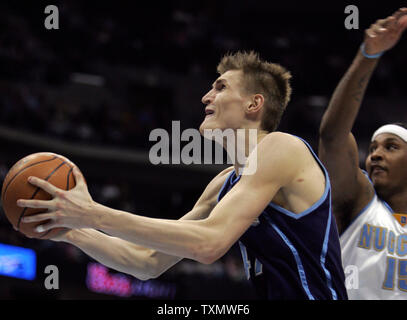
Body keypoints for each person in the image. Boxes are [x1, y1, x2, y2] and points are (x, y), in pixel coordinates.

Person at [17, 51, 347, 300]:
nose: (206, 96)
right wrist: (69, 230)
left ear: (253, 104)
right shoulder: (223, 183)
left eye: (220, 87)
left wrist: (91, 213)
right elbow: (146, 262)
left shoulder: (283, 147)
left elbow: (209, 244)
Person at [319, 8, 407, 299]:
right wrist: (368, 56)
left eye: (391, 147)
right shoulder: (359, 202)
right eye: (372, 149)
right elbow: (333, 137)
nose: (376, 155)